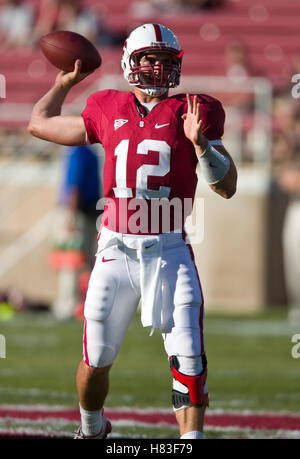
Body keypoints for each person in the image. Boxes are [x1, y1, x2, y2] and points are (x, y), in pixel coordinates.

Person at [28, 23, 237, 439]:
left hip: (170, 249)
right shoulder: (107, 105)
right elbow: (39, 123)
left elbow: (226, 187)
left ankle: (190, 442)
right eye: (148, 59)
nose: (157, 68)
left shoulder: (194, 111)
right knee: (96, 359)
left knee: (190, 359)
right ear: (129, 62)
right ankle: (92, 429)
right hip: (116, 250)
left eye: (165, 60)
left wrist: (202, 146)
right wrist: (63, 82)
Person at [50, 144, 101, 320]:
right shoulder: (89, 153)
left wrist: (70, 216)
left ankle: (68, 305)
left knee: (70, 262)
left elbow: (74, 185)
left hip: (78, 213)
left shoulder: (77, 152)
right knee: (84, 261)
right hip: (86, 212)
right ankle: (83, 305)